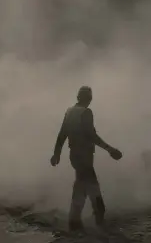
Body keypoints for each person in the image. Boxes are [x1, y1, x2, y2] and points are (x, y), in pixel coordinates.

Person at [50, 86, 122, 232]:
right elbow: (91, 135)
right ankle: (98, 218)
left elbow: (62, 134)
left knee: (81, 186)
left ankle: (75, 221)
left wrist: (56, 153)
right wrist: (110, 149)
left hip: (74, 155)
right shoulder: (86, 112)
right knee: (92, 186)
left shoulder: (70, 111)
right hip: (84, 156)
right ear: (88, 98)